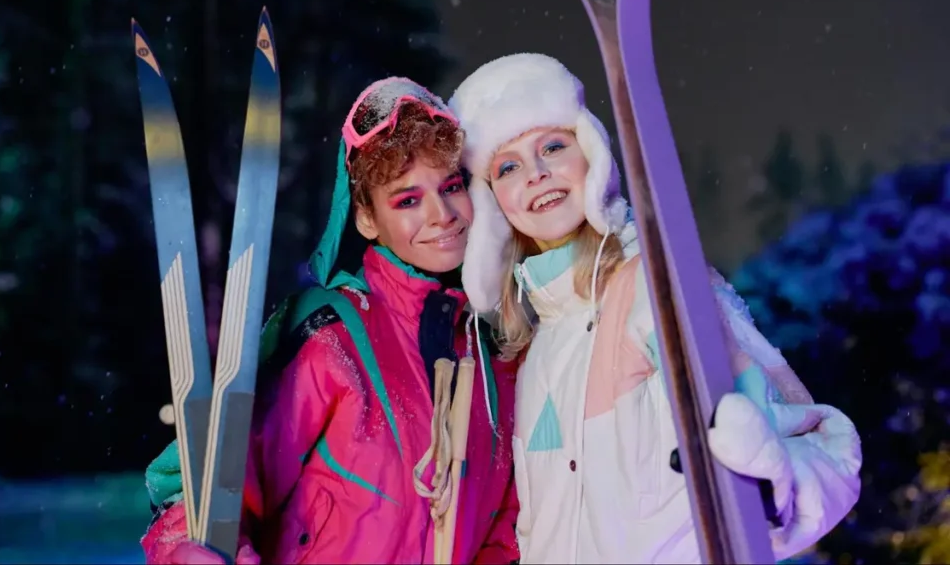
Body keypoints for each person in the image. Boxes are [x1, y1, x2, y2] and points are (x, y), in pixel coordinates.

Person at [447, 52, 862, 564]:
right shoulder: (533, 352)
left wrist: (768, 482)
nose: (535, 173)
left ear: (592, 158)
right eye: (508, 166)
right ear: (493, 204)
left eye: (553, 146)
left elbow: (818, 456)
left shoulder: (659, 285)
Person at [140, 77, 519, 564]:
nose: (441, 214)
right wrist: (189, 549)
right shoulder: (330, 337)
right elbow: (208, 485)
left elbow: (503, 532)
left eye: (450, 187)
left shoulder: (498, 355)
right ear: (365, 216)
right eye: (406, 200)